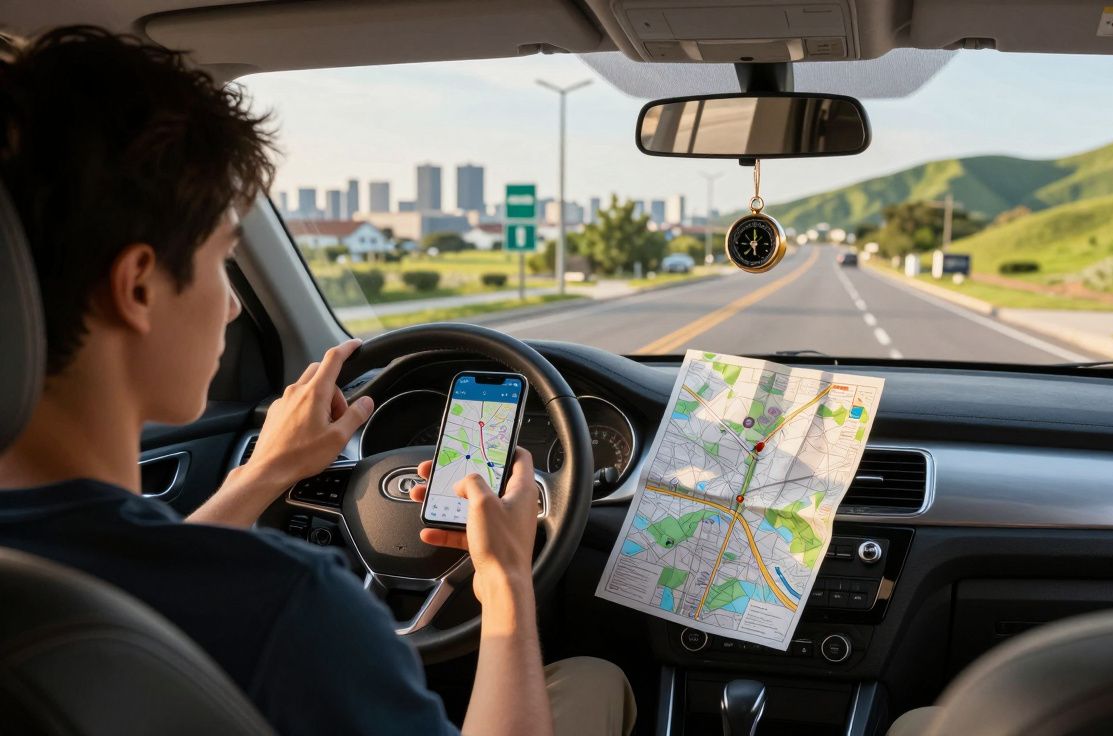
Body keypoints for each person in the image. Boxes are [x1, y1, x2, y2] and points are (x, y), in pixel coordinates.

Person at [0, 26, 636, 736]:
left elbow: (123, 584)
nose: (235, 303)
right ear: (139, 287)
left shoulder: (43, 573)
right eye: (221, 261)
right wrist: (508, 582)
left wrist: (264, 474)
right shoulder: (290, 608)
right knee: (592, 680)